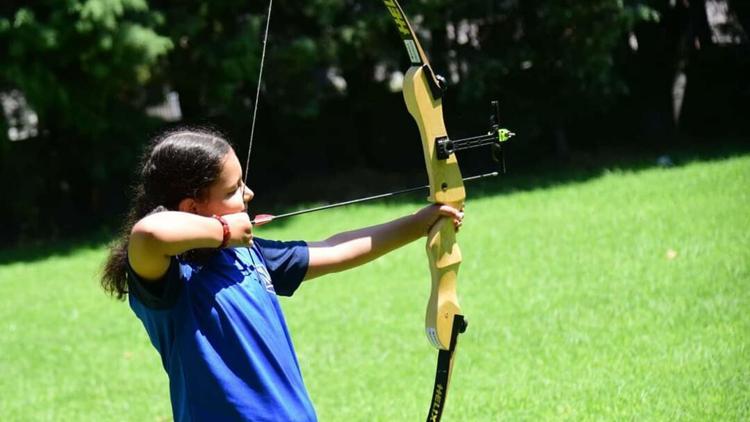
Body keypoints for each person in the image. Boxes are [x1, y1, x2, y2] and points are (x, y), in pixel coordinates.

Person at [101, 128, 464, 421]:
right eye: (233, 190)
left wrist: (419, 223)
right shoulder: (168, 280)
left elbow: (335, 250)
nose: (249, 193)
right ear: (193, 208)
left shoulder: (248, 256)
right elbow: (149, 234)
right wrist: (226, 232)